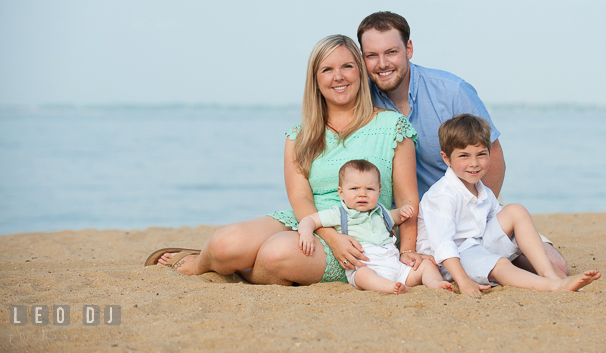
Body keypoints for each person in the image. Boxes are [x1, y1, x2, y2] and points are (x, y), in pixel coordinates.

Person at [145, 35, 425, 284]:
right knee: (223, 243)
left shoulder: (392, 126)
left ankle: (239, 268)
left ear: (360, 72)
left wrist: (408, 250)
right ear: (315, 80)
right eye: (327, 69)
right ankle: (201, 263)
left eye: (347, 66)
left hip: (361, 237)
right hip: (308, 222)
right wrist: (330, 236)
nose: (338, 76)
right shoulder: (299, 136)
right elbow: (301, 200)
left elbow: (407, 202)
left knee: (275, 254)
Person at [356, 11, 568, 276]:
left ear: (408, 49)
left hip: (469, 208)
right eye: (371, 55)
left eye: (391, 52)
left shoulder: (452, 91)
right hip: (416, 223)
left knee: (557, 267)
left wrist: (476, 221)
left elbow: (493, 155)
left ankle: (490, 253)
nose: (382, 63)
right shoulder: (361, 98)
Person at [417, 114, 601, 297]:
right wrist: (464, 281)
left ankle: (551, 276)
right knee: (501, 265)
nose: (474, 163)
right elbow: (443, 245)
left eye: (481, 154)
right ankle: (552, 286)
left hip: (477, 244)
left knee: (515, 211)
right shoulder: (441, 195)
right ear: (446, 158)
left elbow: (502, 225)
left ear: (489, 152)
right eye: (464, 156)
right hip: (451, 261)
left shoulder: (482, 190)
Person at [298, 159, 454, 294]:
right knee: (361, 276)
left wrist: (402, 213)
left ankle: (434, 283)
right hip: (369, 266)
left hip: (396, 266)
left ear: (378, 192)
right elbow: (310, 219)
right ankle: (390, 287)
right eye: (354, 189)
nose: (362, 194)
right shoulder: (340, 213)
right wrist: (306, 232)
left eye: (369, 189)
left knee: (426, 265)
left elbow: (394, 218)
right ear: (341, 193)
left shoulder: (380, 211)